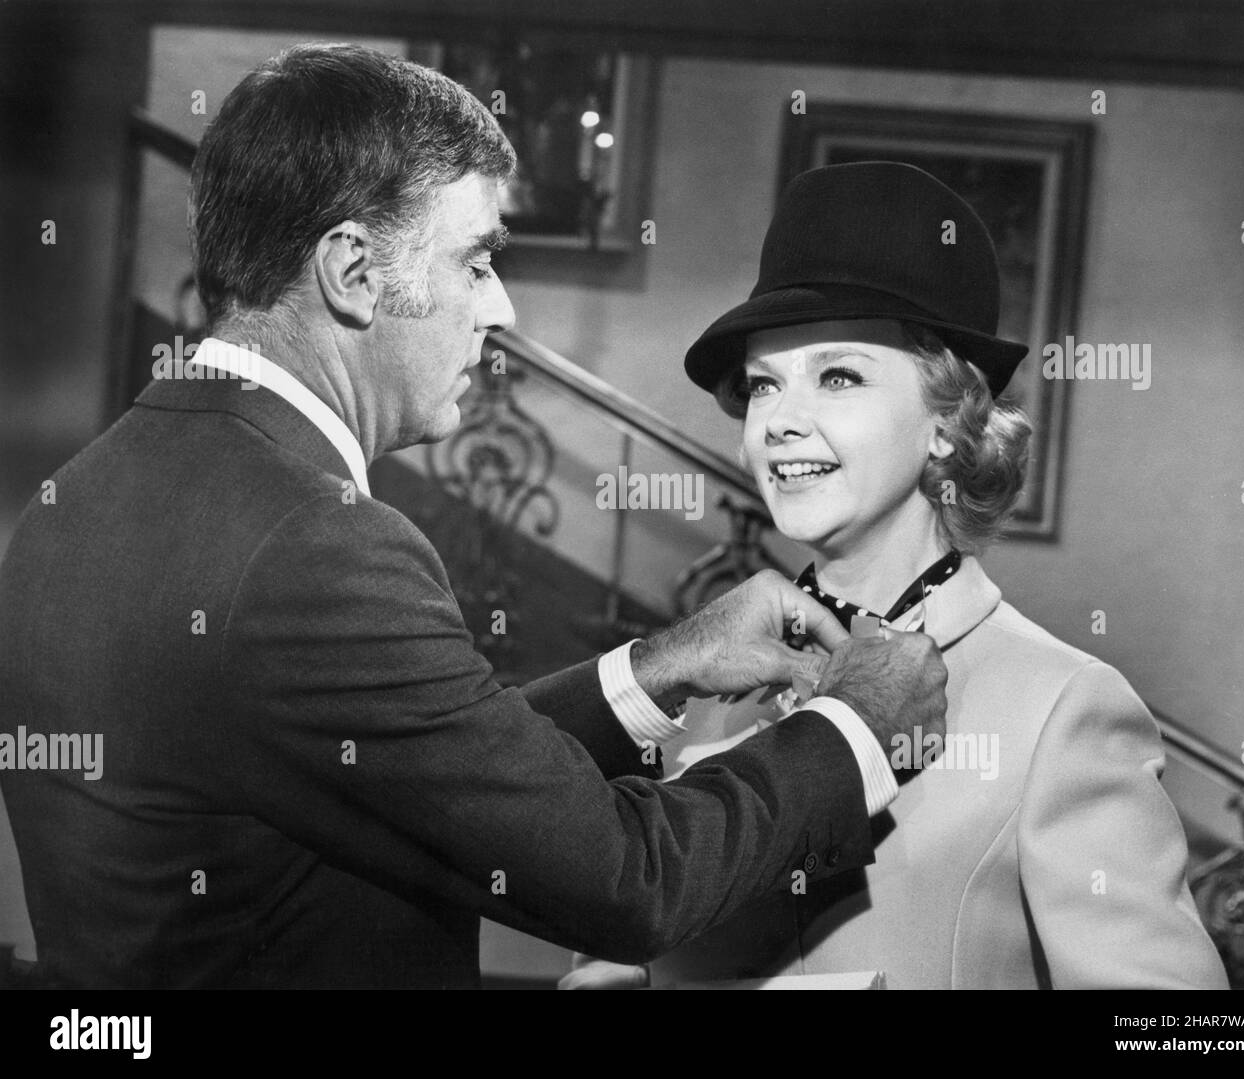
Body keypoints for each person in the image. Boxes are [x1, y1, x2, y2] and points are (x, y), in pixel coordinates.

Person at [0, 48, 950, 989]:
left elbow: (411, 758)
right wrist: (854, 723)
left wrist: (659, 666)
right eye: (479, 259)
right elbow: (626, 879)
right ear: (354, 271)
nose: (500, 308)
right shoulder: (317, 547)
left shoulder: (74, 499)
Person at [564, 162, 1228, 989]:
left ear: (948, 422)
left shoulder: (1062, 707)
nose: (781, 422)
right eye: (763, 384)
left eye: (838, 376)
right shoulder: (700, 686)